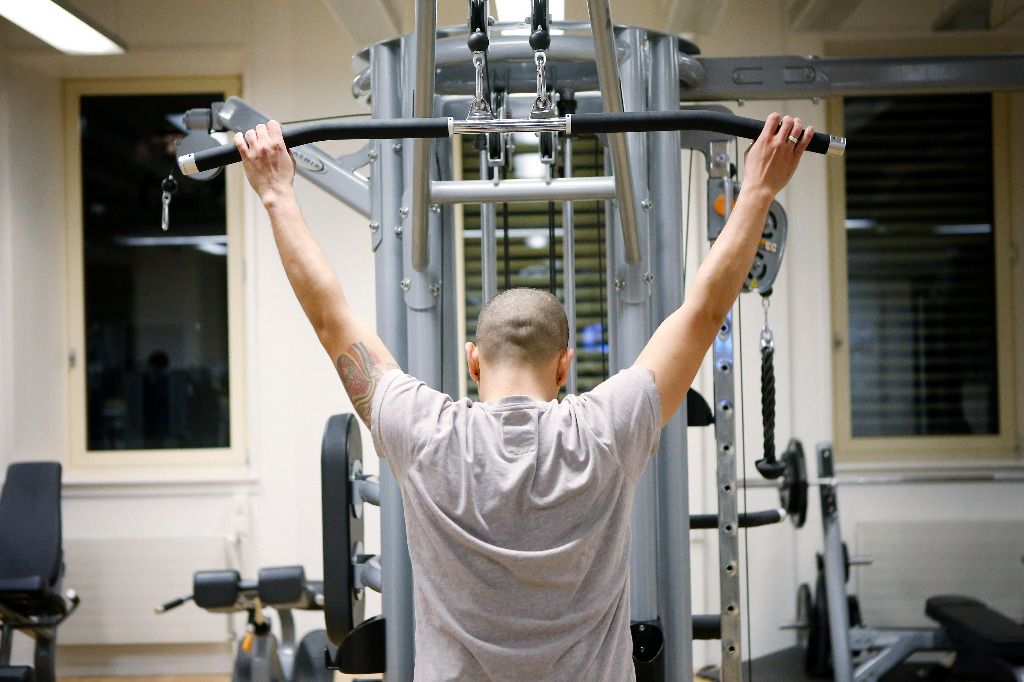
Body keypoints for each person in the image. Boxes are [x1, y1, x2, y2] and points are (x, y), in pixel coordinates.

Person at [234, 113, 812, 681]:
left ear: (473, 360)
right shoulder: (604, 432)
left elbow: (330, 317)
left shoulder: (423, 432)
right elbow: (705, 311)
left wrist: (276, 195)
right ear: (565, 366)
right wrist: (759, 187)